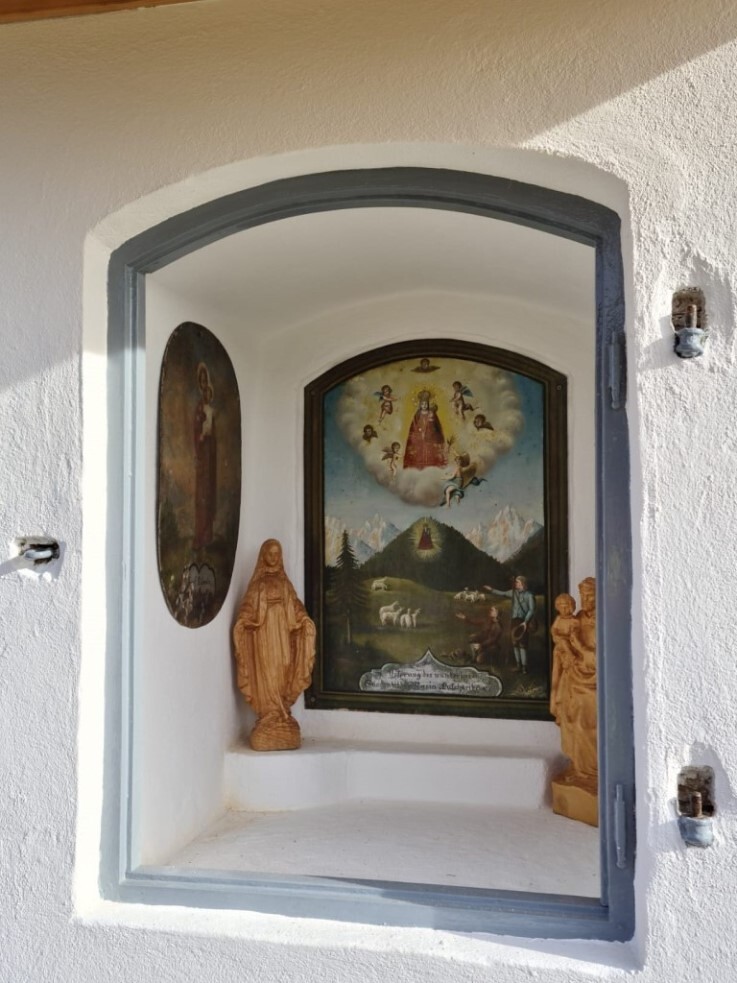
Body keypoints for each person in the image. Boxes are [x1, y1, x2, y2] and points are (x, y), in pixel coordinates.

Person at [232, 539, 316, 751]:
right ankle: (269, 713)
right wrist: (243, 621)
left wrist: (304, 619)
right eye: (270, 553)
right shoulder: (257, 584)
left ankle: (282, 710)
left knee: (285, 666)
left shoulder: (284, 583)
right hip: (264, 635)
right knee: (268, 670)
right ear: (263, 556)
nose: (273, 557)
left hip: (283, 633)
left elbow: (295, 605)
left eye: (277, 553)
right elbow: (248, 606)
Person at [549, 581, 597, 782]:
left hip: (592, 683)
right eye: (582, 595)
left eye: (590, 595)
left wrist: (579, 648)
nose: (584, 600)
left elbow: (601, 657)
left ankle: (592, 772)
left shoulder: (606, 621)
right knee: (571, 722)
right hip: (573, 677)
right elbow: (560, 639)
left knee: (587, 724)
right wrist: (563, 651)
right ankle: (579, 767)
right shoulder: (577, 619)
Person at [483, 575, 536, 672]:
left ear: (523, 583)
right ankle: (518, 666)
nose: (515, 583)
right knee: (515, 644)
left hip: (523, 621)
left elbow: (531, 610)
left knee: (523, 644)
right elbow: (502, 593)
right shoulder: (513, 592)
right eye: (515, 582)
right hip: (514, 621)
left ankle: (524, 667)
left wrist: (525, 622)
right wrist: (491, 590)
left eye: (517, 582)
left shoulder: (529, 595)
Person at [193, 362, 217, 549]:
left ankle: (208, 535)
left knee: (209, 492)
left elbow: (215, 432)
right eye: (201, 381)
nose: (203, 385)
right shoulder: (199, 408)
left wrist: (211, 436)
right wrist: (200, 436)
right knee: (201, 493)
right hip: (202, 452)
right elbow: (195, 428)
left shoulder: (211, 410)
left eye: (205, 381)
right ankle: (200, 534)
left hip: (210, 453)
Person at [403, 390, 447, 469]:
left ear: (428, 404)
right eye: (422, 404)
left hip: (430, 435)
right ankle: (419, 465)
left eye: (426, 404)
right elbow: (414, 425)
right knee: (419, 449)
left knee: (431, 449)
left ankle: (433, 464)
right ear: (420, 404)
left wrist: (432, 430)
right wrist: (417, 432)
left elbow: (437, 425)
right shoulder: (418, 414)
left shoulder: (432, 413)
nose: (424, 405)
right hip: (419, 435)